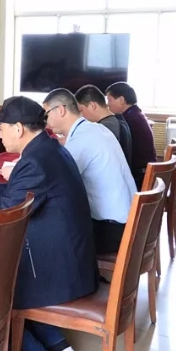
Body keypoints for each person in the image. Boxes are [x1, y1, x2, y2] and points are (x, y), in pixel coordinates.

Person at [0, 96, 98, 351]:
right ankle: (59, 345)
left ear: (18, 128)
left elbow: (7, 214)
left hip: (57, 269)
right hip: (70, 258)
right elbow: (31, 193)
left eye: (1, 128)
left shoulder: (35, 160)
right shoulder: (48, 149)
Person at [44, 88, 136, 254]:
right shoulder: (97, 129)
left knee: (45, 233)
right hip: (129, 223)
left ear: (61, 110)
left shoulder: (83, 138)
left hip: (112, 231)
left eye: (47, 114)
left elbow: (55, 181)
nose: (46, 121)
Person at [106, 82, 157, 189]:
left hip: (138, 177)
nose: (108, 105)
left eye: (110, 100)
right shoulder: (135, 114)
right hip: (145, 173)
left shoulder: (128, 121)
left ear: (121, 100)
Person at [74, 84, 132, 167]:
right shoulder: (117, 119)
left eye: (81, 110)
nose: (81, 115)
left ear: (93, 106)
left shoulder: (105, 128)